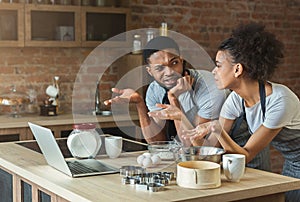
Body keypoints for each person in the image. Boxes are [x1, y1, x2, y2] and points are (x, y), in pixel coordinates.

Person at [181, 22, 300, 201]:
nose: (213, 71)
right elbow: (210, 149)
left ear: (238, 69)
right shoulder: (236, 100)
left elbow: (245, 155)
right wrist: (191, 130)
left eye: (219, 65)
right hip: (292, 161)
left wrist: (217, 130)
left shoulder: (280, 101)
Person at [104, 36, 227, 145]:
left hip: (226, 156)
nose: (169, 72)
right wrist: (139, 104)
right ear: (150, 71)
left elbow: (190, 144)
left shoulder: (210, 87)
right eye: (159, 68)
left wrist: (174, 98)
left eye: (174, 63)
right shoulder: (154, 90)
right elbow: (157, 142)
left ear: (181, 61)